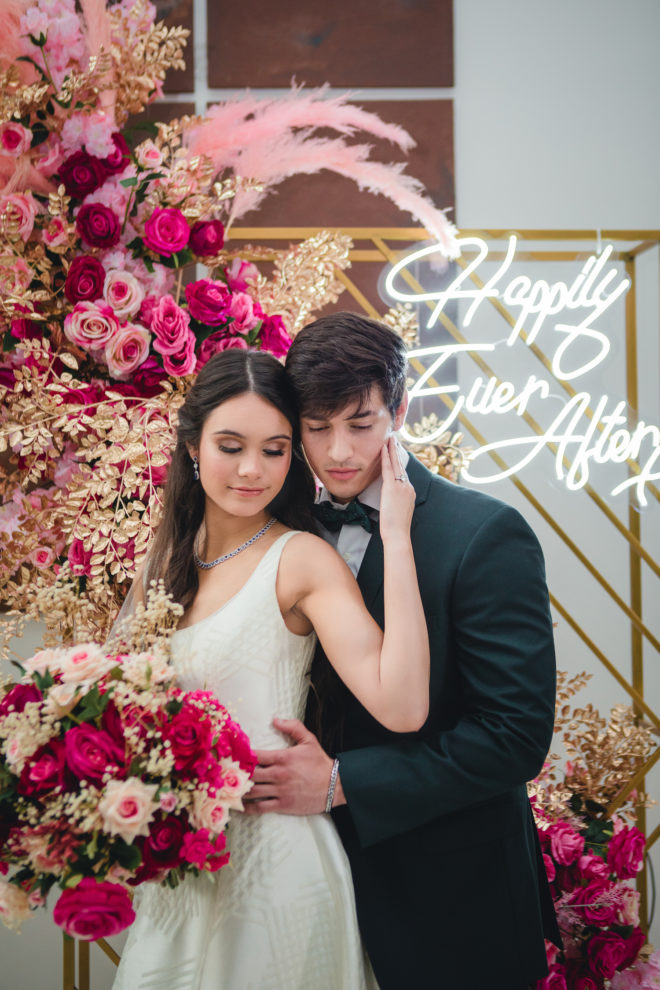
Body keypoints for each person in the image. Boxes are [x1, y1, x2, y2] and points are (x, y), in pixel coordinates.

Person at [245, 312, 561, 990]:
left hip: (453, 899)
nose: (338, 452)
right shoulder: (273, 531)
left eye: (360, 424)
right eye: (316, 427)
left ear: (400, 409)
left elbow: (515, 737)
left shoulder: (485, 534)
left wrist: (340, 784)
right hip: (299, 890)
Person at [113, 347, 429, 990]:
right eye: (230, 446)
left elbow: (402, 705)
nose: (252, 469)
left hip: (275, 867)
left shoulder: (301, 558)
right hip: (177, 873)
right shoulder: (166, 558)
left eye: (276, 449)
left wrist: (398, 539)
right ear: (192, 445)